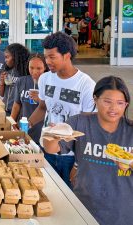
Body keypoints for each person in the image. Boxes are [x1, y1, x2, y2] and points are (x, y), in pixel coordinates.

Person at [43, 76, 133, 225]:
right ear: (95, 100)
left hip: (123, 213)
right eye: (107, 101)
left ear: (126, 105)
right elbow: (51, 148)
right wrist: (53, 135)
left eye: (120, 103)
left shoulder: (130, 130)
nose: (113, 108)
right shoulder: (80, 122)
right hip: (85, 209)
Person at [28, 31, 96, 188]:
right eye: (46, 57)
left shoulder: (86, 85)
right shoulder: (45, 78)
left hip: (70, 157)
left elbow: (88, 127)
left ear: (67, 55)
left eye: (52, 57)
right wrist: (28, 123)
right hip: (45, 148)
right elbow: (43, 107)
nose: (47, 61)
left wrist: (78, 164)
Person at [11, 54, 49, 144]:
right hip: (25, 127)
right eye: (31, 68)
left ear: (45, 68)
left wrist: (40, 99)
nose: (34, 71)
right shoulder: (21, 81)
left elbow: (54, 108)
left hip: (43, 131)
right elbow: (16, 105)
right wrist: (12, 123)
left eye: (39, 68)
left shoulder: (50, 83)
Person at [0, 43, 30, 116]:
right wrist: (1, 82)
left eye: (7, 57)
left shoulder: (26, 72)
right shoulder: (7, 70)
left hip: (20, 113)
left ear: (16, 57)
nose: (5, 60)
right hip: (6, 110)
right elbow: (1, 94)